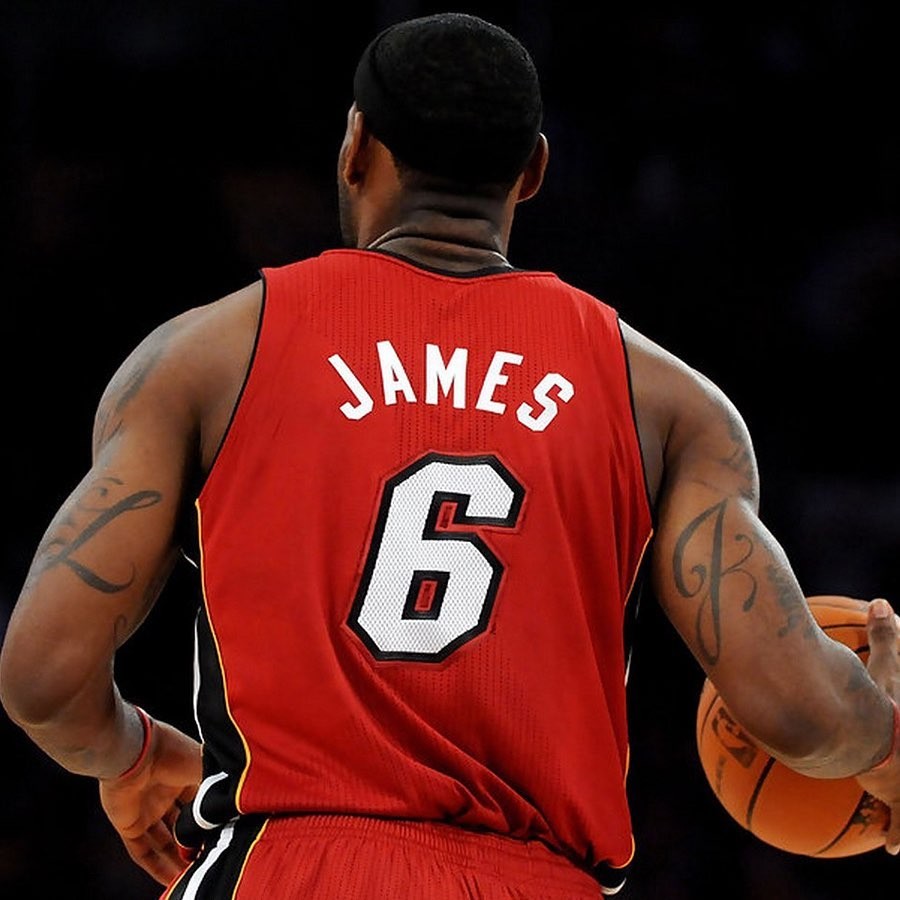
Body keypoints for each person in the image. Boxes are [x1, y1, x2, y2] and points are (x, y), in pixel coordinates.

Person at [1, 11, 898, 899]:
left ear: (355, 147)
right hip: (536, 881)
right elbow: (801, 714)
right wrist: (886, 740)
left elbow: (43, 679)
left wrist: (132, 755)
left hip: (287, 867)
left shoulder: (204, 355)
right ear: (533, 171)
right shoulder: (668, 403)